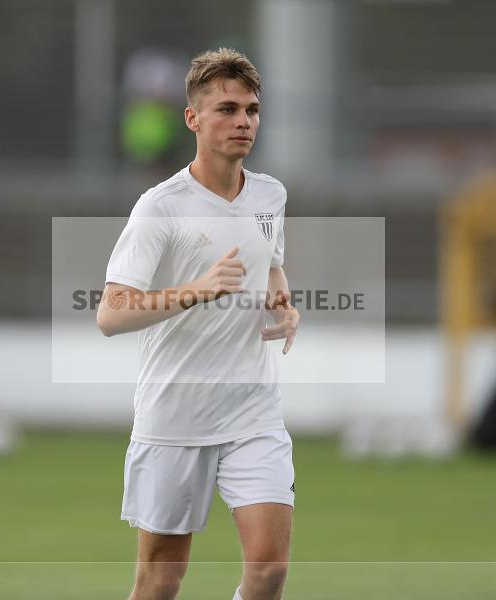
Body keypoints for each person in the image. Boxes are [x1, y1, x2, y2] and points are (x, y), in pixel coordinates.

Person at [97, 48, 300, 600]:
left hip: (252, 409)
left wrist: (282, 303)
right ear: (192, 118)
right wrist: (197, 290)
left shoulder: (270, 195)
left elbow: (270, 261)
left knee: (269, 569)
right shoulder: (158, 208)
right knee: (160, 582)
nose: (243, 122)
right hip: (174, 414)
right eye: (227, 109)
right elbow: (111, 313)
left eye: (252, 110)